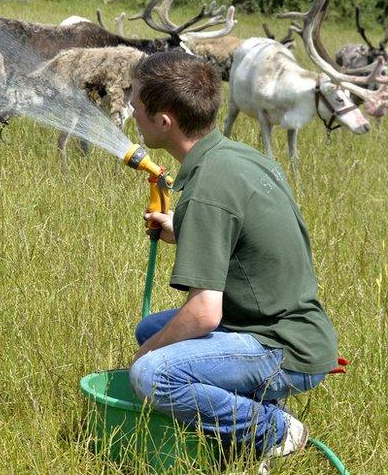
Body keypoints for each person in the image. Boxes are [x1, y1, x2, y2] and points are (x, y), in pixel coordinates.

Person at [127, 52, 338, 461]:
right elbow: (243, 233)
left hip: (283, 346)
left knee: (152, 373)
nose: (131, 111)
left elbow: (205, 312)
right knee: (150, 327)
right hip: (289, 326)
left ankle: (274, 430)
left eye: (136, 103)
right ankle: (236, 441)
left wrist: (146, 354)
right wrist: (186, 229)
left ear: (164, 121)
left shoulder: (208, 188)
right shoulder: (234, 156)